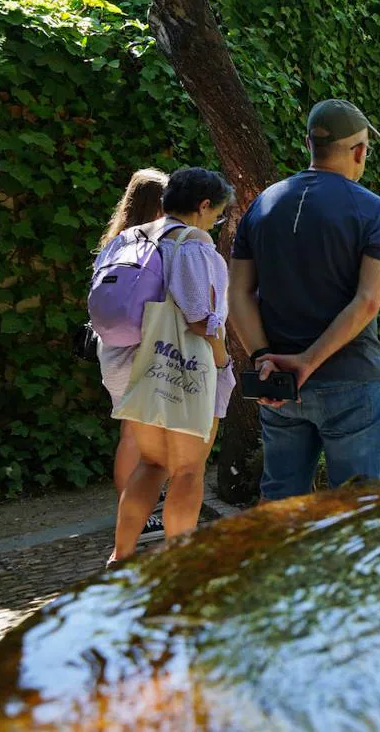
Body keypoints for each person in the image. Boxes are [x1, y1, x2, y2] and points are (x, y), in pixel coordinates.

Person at [229, 99, 380, 502]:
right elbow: (368, 301)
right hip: (351, 379)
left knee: (281, 499)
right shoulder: (372, 210)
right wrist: (309, 361)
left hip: (279, 384)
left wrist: (262, 357)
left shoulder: (263, 205)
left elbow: (237, 293)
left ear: (309, 143)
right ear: (359, 151)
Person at [110, 167, 236, 563]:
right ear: (203, 206)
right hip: (186, 370)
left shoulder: (132, 238)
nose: (217, 222)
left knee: (150, 464)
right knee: (187, 472)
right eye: (218, 213)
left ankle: (121, 555)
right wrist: (222, 360)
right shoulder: (194, 243)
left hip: (140, 364)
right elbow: (201, 316)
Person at [93, 168, 169, 543]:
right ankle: (137, 517)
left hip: (111, 351)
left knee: (132, 433)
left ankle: (136, 509)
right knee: (141, 437)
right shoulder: (159, 243)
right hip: (144, 349)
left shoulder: (114, 242)